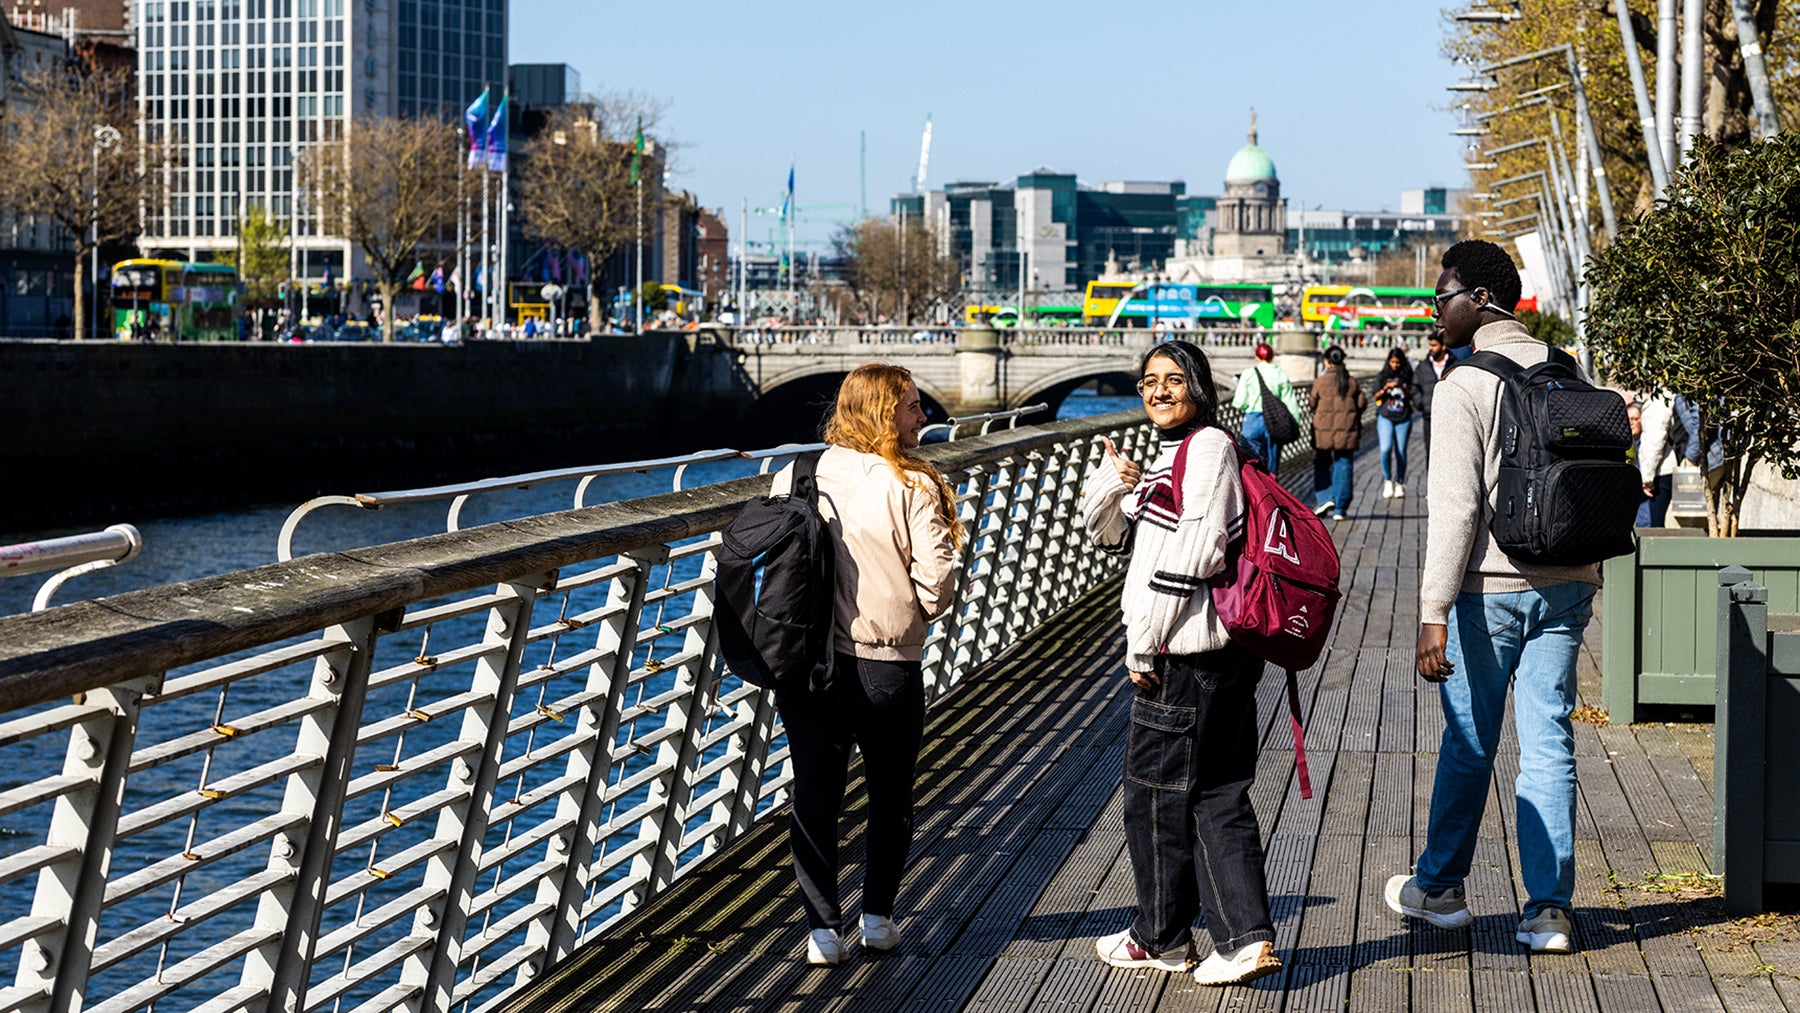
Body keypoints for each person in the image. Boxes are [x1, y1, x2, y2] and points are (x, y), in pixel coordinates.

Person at [1394, 239, 1601, 955]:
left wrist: (1432, 613)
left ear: (1477, 299)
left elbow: (1454, 512)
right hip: (1571, 579)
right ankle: (1548, 910)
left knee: (1471, 738)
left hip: (1492, 589)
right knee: (1550, 742)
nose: (1436, 310)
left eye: (1442, 295)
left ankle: (1443, 886)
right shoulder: (1565, 367)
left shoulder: (1462, 384)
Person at [1082, 339, 1282, 988]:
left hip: (1186, 655)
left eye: (1173, 380)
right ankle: (1243, 939)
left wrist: (1143, 643)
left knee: (1153, 800)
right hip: (1214, 653)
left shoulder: (1207, 450)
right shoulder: (1178, 455)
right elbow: (1106, 532)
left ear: (1199, 386)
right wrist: (1117, 483)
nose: (1158, 390)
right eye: (1148, 382)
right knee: (1215, 794)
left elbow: (1194, 554)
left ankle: (1161, 936)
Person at [775, 363, 962, 966]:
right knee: (890, 794)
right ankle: (877, 918)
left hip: (809, 667)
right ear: (884, 413)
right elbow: (937, 589)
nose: (922, 416)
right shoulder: (913, 484)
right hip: (886, 665)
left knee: (815, 795)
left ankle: (822, 931)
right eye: (911, 407)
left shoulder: (799, 473)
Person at [1309, 345, 1368, 521]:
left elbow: (1312, 404)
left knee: (1321, 463)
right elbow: (1362, 404)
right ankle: (1340, 508)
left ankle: (1325, 498)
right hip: (1347, 430)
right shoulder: (1351, 382)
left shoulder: (1319, 382)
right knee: (1344, 465)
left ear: (1327, 362)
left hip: (1323, 431)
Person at [1231, 343, 1302, 473]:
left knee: (1252, 463)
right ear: (1272, 357)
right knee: (1272, 464)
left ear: (1256, 357)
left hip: (1252, 421)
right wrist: (1295, 423)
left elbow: (1239, 402)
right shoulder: (1279, 373)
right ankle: (1271, 489)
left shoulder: (1248, 373)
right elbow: (1289, 400)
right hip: (1275, 422)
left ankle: (1255, 490)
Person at [1373, 347, 1417, 499]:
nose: (1395, 365)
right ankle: (1387, 480)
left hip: (1403, 417)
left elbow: (1413, 394)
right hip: (1385, 416)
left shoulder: (1408, 375)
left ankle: (1400, 482)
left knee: (1400, 451)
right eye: (1392, 362)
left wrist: (1402, 387)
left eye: (1397, 362)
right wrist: (1386, 388)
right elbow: (1375, 395)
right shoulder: (1383, 375)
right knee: (1385, 449)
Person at [1632, 396, 1677, 528]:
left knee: (1655, 525)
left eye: (1635, 419)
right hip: (1662, 469)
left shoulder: (1658, 401)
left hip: (1661, 471)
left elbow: (1655, 440)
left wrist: (1646, 478)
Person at [1416, 330, 1452, 465]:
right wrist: (1421, 403)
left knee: (1449, 451)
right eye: (1430, 345)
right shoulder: (1423, 366)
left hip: (1449, 416)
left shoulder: (1455, 364)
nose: (1430, 348)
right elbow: (1415, 387)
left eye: (1434, 345)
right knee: (1430, 450)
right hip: (1429, 415)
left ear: (1443, 346)